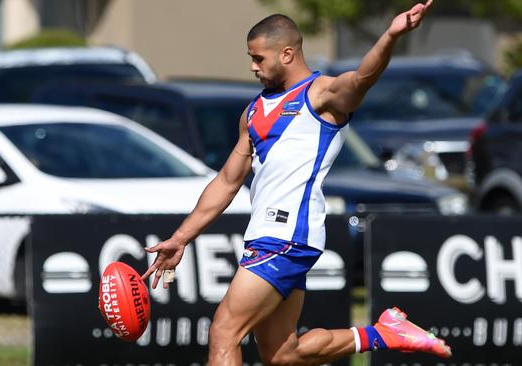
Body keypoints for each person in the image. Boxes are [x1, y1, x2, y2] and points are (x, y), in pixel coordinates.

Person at [143, 1, 452, 365]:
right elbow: (227, 181)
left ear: (287, 53)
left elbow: (362, 78)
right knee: (283, 355)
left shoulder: (320, 95)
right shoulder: (254, 111)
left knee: (224, 331)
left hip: (286, 234)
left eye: (259, 58)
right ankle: (385, 333)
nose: (252, 66)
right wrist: (181, 238)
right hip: (266, 235)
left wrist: (390, 35)